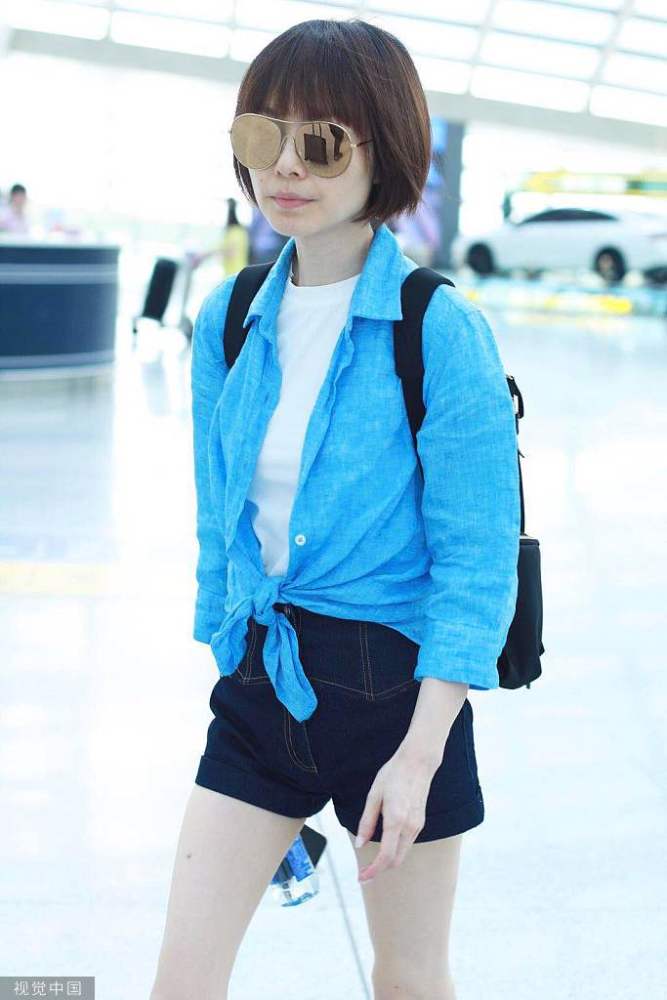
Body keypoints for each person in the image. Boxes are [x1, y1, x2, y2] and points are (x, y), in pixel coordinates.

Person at [150, 18, 519, 1000]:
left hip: (396, 695)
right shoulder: (230, 316)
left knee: (407, 978)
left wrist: (418, 756)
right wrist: (226, 651)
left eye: (320, 142)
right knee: (181, 979)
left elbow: (476, 561)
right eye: (261, 135)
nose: (285, 166)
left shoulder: (439, 328)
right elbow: (217, 520)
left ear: (383, 150)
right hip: (261, 683)